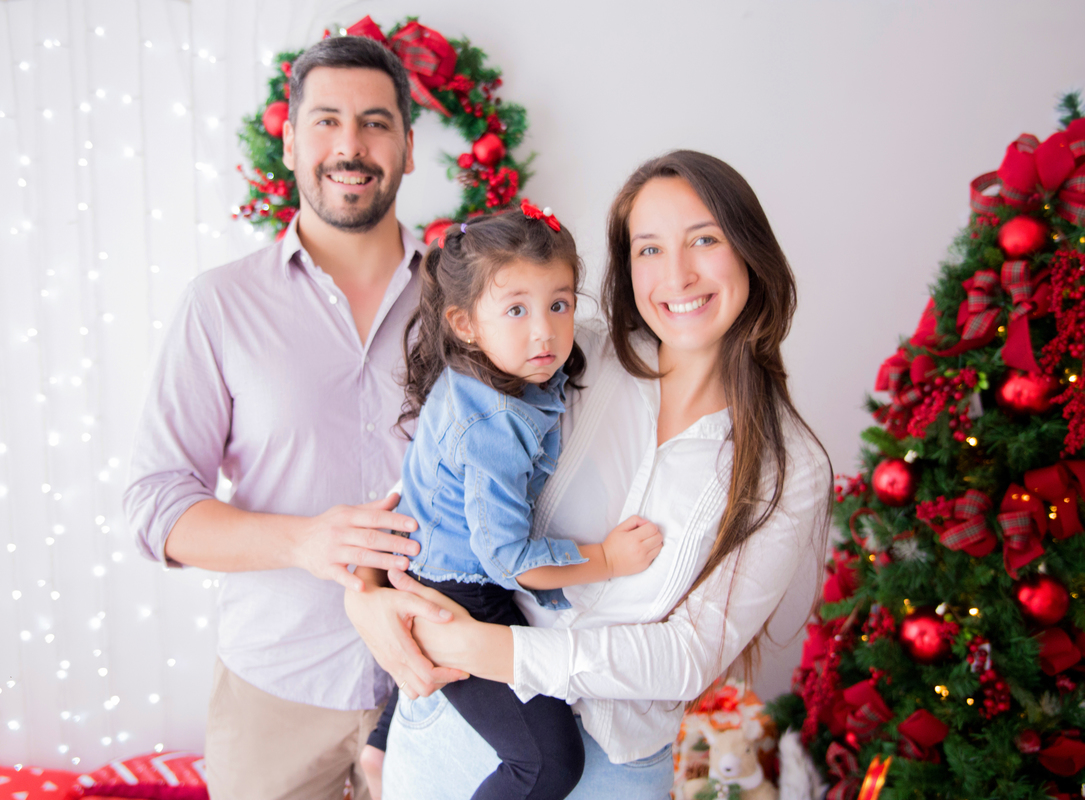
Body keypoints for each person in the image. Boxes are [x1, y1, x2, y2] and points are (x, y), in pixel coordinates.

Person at [344, 150, 833, 798]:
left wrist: (483, 650)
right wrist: (367, 599)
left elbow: (689, 655)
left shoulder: (788, 466)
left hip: (612, 767)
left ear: (749, 250)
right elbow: (428, 493)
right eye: (649, 248)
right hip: (457, 723)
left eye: (704, 239)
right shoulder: (570, 359)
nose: (678, 274)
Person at [123, 36, 461, 800]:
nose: (351, 145)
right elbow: (155, 504)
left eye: (376, 123)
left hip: (447, 684)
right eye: (327, 121)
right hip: (275, 688)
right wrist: (305, 540)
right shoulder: (220, 304)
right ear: (289, 141)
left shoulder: (466, 301)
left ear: (409, 147)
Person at [359, 208, 664, 800]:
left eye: (560, 304)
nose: (545, 333)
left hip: (426, 563)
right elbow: (509, 560)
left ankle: (381, 741)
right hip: (461, 589)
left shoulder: (492, 375)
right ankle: (384, 741)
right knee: (550, 762)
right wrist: (607, 558)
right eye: (517, 309)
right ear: (466, 322)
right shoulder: (493, 421)